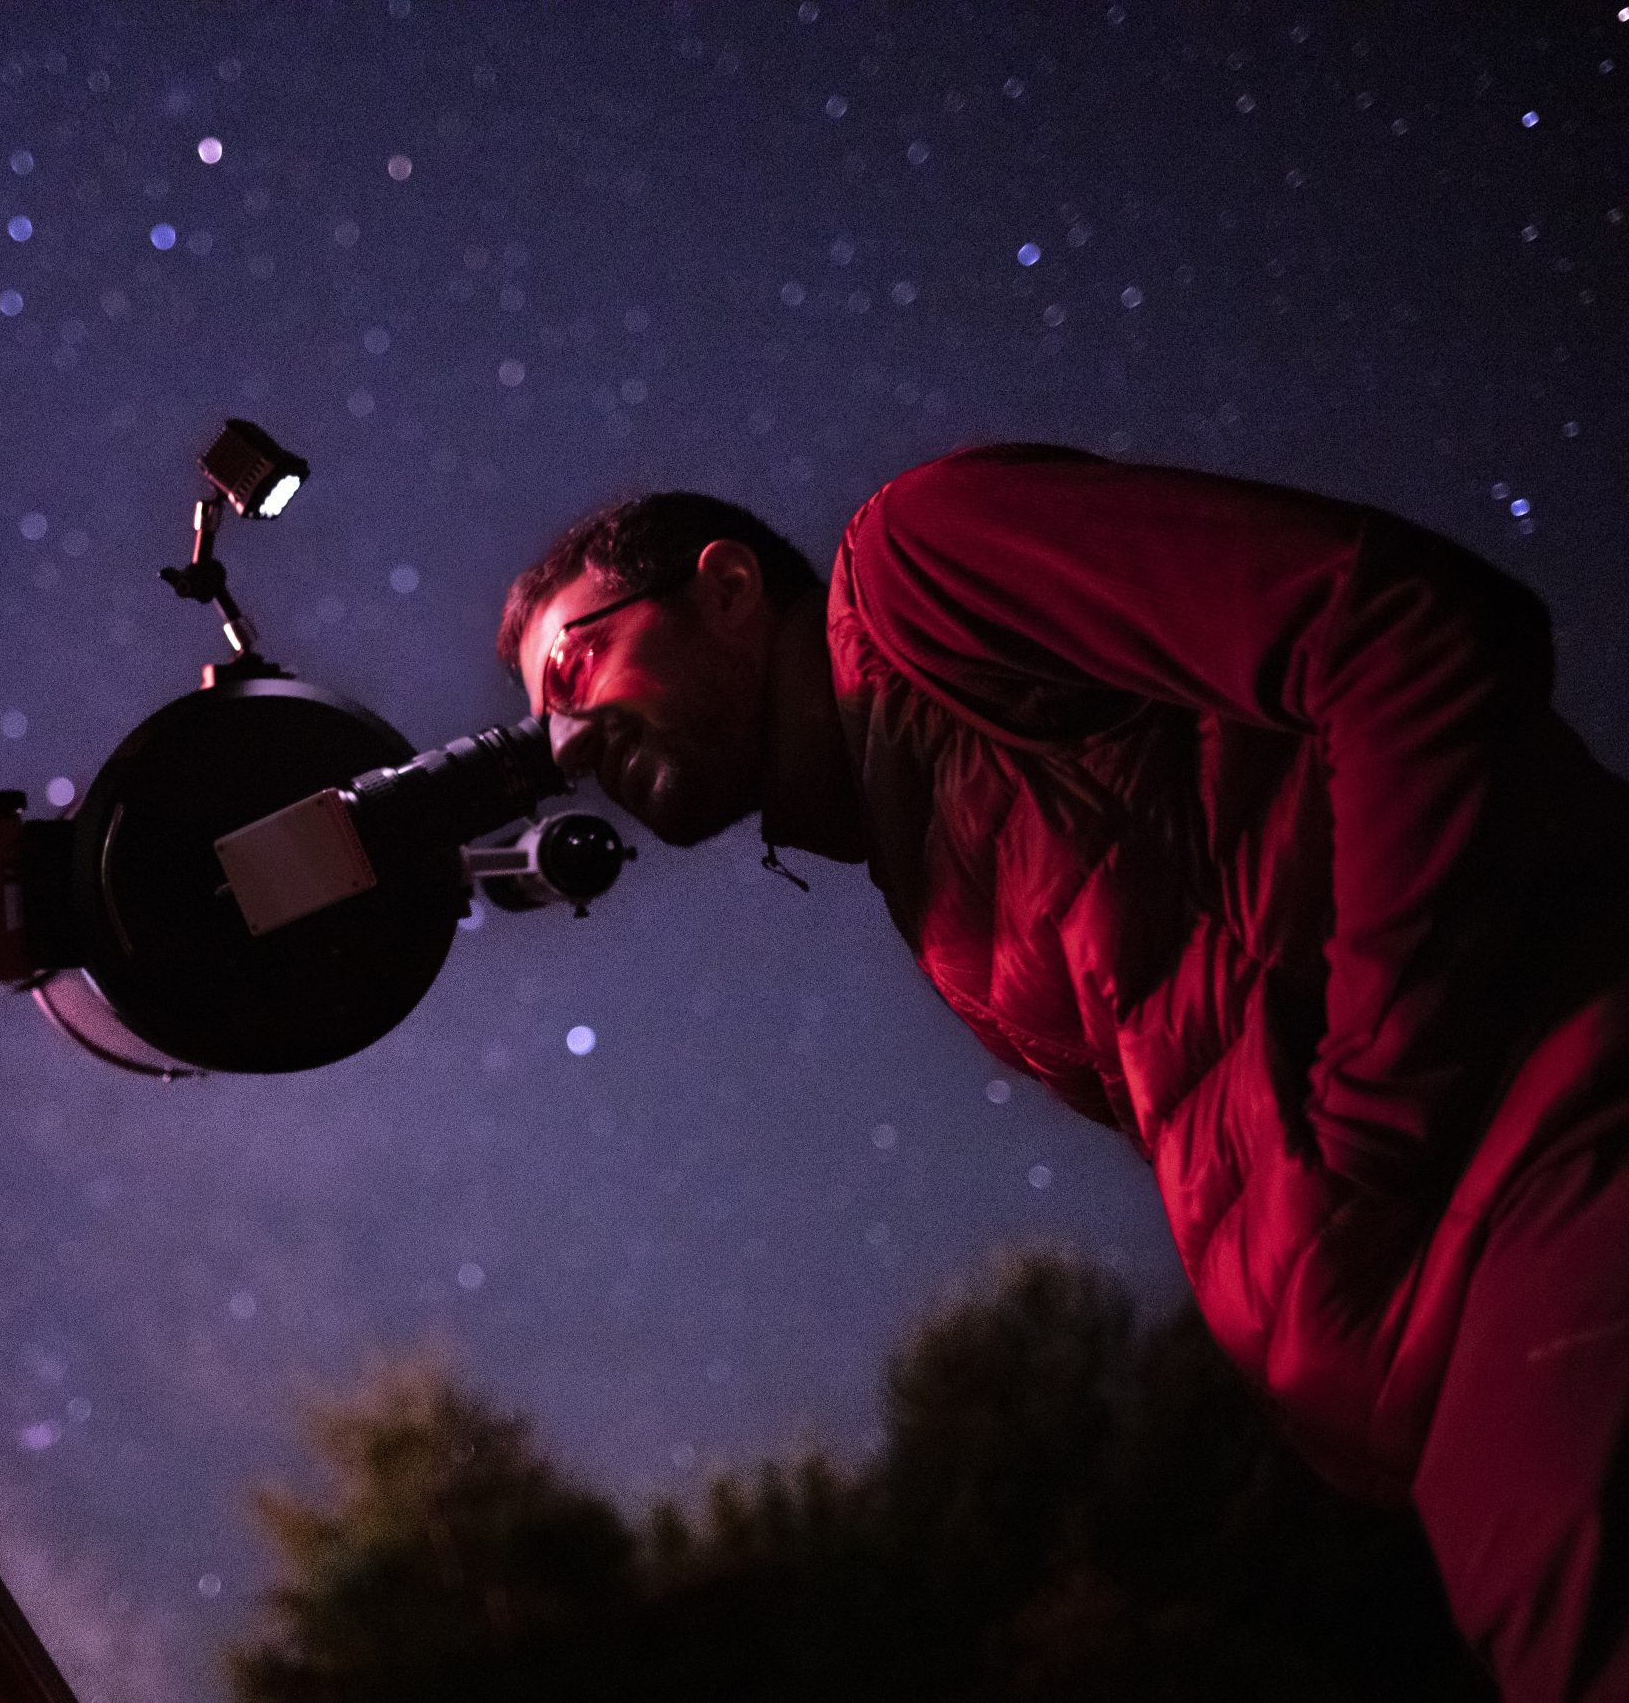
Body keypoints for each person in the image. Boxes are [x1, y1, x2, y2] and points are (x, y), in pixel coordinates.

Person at [499, 443, 1629, 1702]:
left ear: (724, 589)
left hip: (1543, 1158)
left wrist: (1375, 1137)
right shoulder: (920, 872)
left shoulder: (920, 561)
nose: (563, 742)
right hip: (1438, 1356)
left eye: (573, 663)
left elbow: (1397, 630)